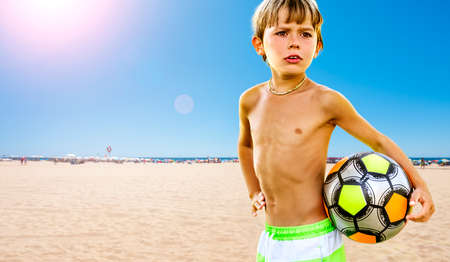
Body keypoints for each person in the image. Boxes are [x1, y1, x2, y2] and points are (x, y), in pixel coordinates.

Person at [237, 0, 435, 261]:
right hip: (271, 239)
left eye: (305, 33)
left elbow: (378, 141)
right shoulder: (250, 100)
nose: (294, 42)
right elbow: (246, 146)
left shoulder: (326, 100)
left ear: (317, 46)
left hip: (315, 240)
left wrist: (421, 186)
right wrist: (254, 192)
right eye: (282, 32)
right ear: (259, 44)